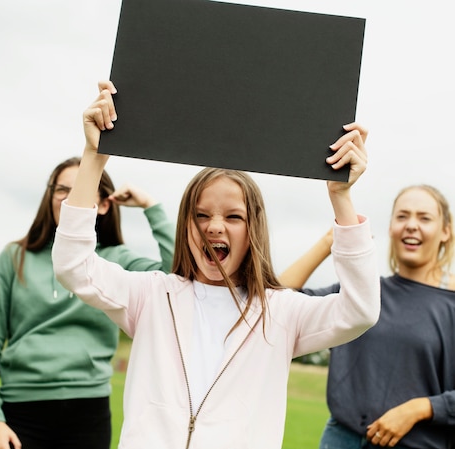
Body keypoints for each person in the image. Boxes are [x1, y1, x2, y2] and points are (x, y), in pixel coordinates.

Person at [51, 80, 380, 449]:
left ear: (254, 229)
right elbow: (73, 265)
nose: (215, 226)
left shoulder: (281, 312)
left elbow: (360, 310)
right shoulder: (152, 295)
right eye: (201, 214)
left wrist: (341, 196)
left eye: (233, 217)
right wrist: (94, 156)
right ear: (185, 225)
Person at [0, 156, 175, 449]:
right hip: (20, 412)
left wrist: (150, 207)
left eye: (81, 188)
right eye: (61, 190)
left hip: (88, 414)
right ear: (49, 196)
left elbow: (173, 276)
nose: (69, 199)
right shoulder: (14, 258)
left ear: (104, 205)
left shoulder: (116, 260)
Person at [280, 185, 455, 449]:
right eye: (402, 216)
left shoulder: (450, 304)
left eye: (424, 218)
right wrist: (333, 240)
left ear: (445, 232)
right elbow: (278, 301)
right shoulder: (363, 293)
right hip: (341, 439)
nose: (411, 225)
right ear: (390, 228)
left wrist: (421, 408)